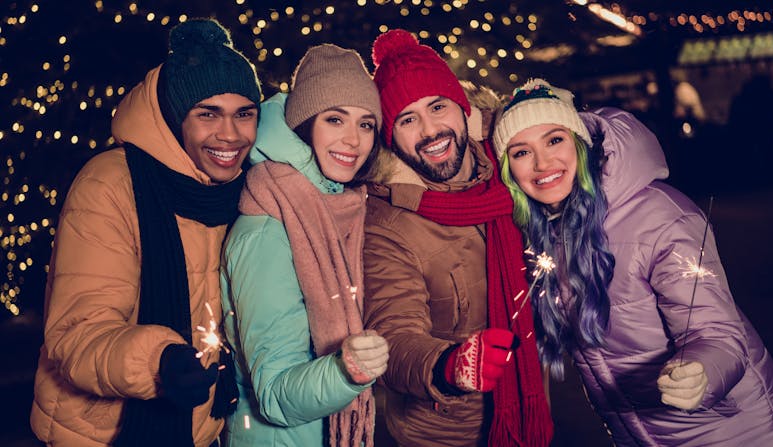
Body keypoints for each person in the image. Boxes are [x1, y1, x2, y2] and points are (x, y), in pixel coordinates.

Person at [492, 78, 773, 446]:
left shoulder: (657, 216)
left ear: (580, 142)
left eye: (554, 139)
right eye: (520, 152)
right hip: (636, 432)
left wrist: (702, 371)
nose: (542, 162)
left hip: (728, 430)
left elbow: (717, 333)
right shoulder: (545, 230)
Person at [30, 18, 261, 447]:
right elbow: (77, 332)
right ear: (175, 118)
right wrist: (160, 361)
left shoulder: (242, 190)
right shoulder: (111, 184)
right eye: (207, 114)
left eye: (244, 114)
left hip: (201, 427)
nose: (230, 134)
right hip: (101, 433)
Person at [362, 29, 553, 447]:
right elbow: (392, 334)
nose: (430, 131)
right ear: (391, 137)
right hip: (443, 430)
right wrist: (448, 366)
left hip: (528, 405)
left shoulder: (513, 171)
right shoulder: (385, 222)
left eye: (437, 107)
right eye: (408, 120)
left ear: (463, 109)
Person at [219, 44, 389, 447]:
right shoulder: (266, 228)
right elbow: (274, 394)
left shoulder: (344, 207)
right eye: (335, 119)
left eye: (366, 124)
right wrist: (347, 370)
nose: (353, 140)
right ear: (304, 124)